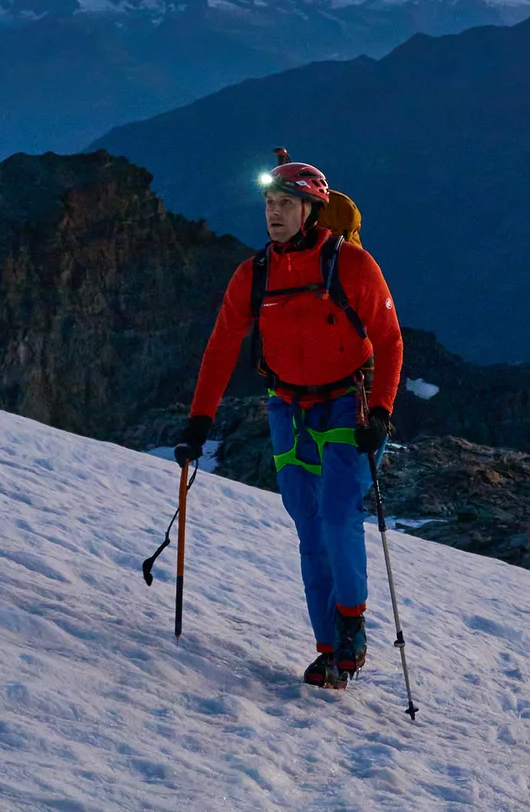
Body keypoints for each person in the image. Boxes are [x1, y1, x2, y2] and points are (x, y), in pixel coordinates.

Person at [172, 156, 403, 689]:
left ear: (312, 212)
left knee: (338, 512)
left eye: (285, 205)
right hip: (288, 406)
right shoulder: (253, 274)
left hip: (350, 400)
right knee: (306, 521)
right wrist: (198, 423)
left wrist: (383, 411)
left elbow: (389, 340)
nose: (273, 214)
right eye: (269, 204)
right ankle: (330, 652)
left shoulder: (351, 267)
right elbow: (222, 344)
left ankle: (352, 627)